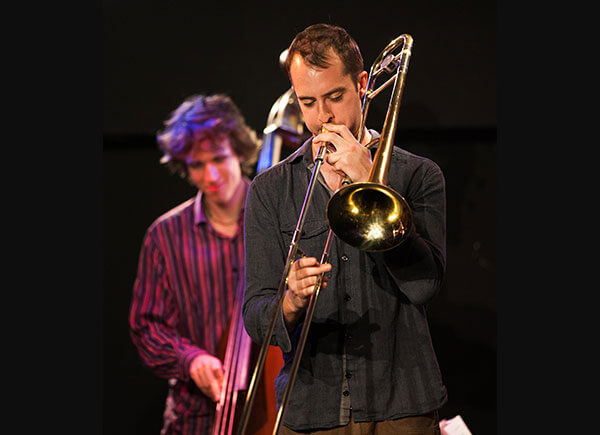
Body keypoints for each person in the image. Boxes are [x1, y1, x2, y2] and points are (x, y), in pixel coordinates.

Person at [243, 24, 447, 434]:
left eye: (335, 96)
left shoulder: (418, 174)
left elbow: (424, 286)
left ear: (363, 85)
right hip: (310, 411)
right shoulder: (270, 190)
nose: (324, 116)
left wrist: (374, 183)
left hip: (402, 404)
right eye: (308, 102)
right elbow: (255, 315)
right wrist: (291, 301)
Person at [129, 94, 263, 434]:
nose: (211, 175)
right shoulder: (164, 235)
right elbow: (147, 327)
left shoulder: (276, 223)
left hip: (272, 411)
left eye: (219, 158)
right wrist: (191, 359)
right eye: (197, 165)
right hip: (195, 419)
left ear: (239, 151)